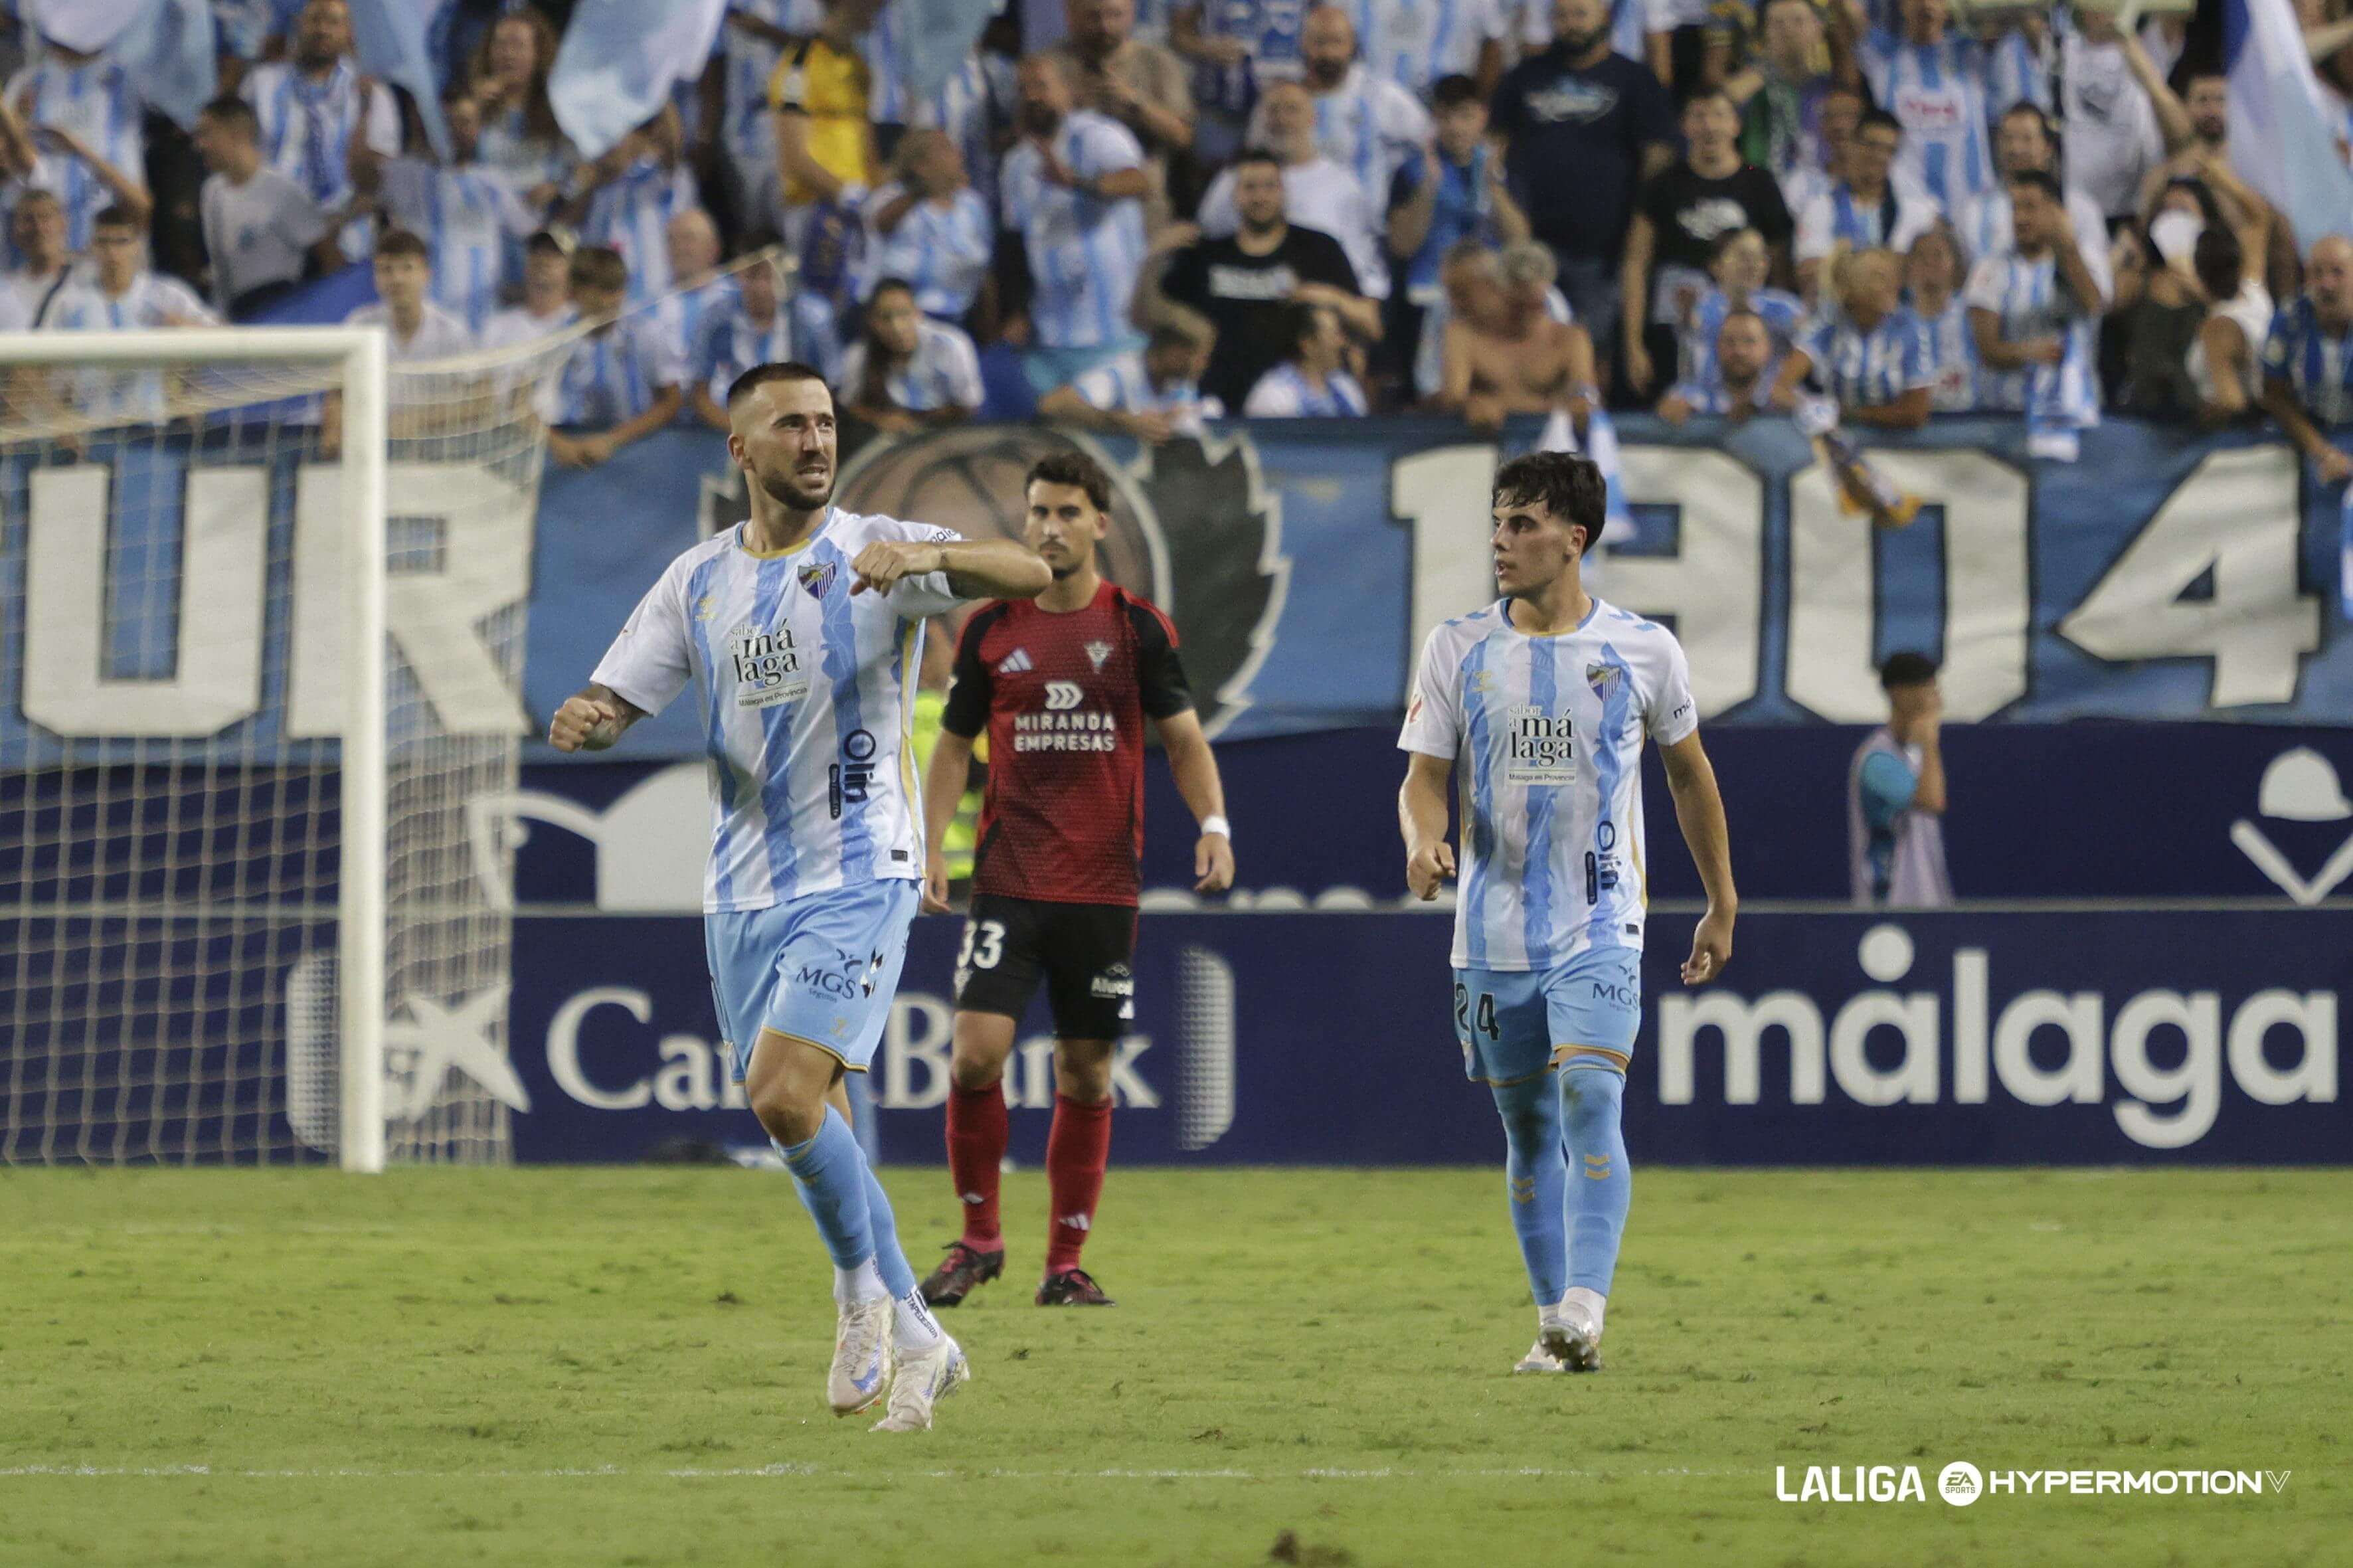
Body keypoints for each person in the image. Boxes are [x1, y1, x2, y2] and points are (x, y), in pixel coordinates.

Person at [550, 361, 1051, 1431]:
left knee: (781, 1095)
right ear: (742, 448)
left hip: (861, 868)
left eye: (824, 422)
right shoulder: (697, 580)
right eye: (790, 425)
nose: (816, 440)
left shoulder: (876, 549)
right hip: (741, 886)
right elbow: (619, 693)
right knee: (806, 1113)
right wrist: (589, 717)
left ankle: (864, 1296)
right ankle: (914, 1331)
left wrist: (930, 555)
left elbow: (1028, 569)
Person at [1397, 450, 1735, 1375]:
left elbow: (1689, 777)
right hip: (1489, 931)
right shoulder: (1456, 647)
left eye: (1522, 524)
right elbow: (1423, 778)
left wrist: (1721, 899)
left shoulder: (1643, 651)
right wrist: (1422, 842)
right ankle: (1553, 1323)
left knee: (1591, 1095)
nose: (1500, 542)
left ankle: (1586, 1307)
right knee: (1528, 1131)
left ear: (1573, 538)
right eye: (1497, 523)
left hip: (1601, 921)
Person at [919, 450, 1231, 1310]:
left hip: (1100, 888)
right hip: (1008, 880)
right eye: (1037, 512)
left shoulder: (1135, 628)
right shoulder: (991, 627)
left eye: (1065, 512)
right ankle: (978, 1241)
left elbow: (1183, 740)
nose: (1048, 528)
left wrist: (1213, 826)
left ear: (1100, 523)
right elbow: (953, 745)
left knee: (1086, 1073)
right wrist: (928, 844)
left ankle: (1064, 1264)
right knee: (974, 1056)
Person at [1490, 0, 1677, 368]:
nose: (1570, 24)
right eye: (1561, 15)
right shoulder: (1524, 78)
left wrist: (1639, 226)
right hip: (1532, 246)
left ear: (1604, 17)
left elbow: (1658, 158)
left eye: (1580, 14)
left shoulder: (1635, 79)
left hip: (1602, 249)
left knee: (1592, 358)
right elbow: (1494, 150)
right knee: (1530, 354)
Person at [1140, 151, 1375, 412]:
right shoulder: (1205, 256)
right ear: (1234, 194)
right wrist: (1154, 257)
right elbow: (1148, 319)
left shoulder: (1317, 249)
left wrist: (1325, 296)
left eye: (1270, 186)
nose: (1260, 196)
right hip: (1214, 406)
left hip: (1292, 408)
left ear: (1284, 192)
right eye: (1250, 187)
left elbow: (1372, 324)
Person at [1620, 88, 1794, 400]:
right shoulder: (1662, 184)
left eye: (1719, 115)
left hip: (1741, 332)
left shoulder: (1759, 181)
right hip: (1671, 328)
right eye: (1699, 116)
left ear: (1736, 125)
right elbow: (1635, 263)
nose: (1709, 126)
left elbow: (1779, 266)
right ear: (1684, 125)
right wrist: (1633, 343)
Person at [1000, 53, 1152, 396]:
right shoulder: (1016, 162)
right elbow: (1015, 244)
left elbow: (1138, 183)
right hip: (1049, 338)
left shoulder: (1099, 135)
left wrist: (1077, 183)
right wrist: (1017, 310)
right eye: (1023, 89)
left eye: (1041, 86)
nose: (1031, 96)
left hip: (1114, 333)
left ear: (1068, 90)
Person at [351, 83, 540, 336]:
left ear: (478, 128)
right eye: (448, 122)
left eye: (465, 122)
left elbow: (536, 237)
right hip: (425, 330)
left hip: (482, 328)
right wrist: (365, 108)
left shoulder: (493, 183)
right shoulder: (408, 174)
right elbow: (361, 173)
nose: (456, 131)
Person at [240, 0, 400, 262]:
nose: (323, 30)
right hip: (272, 237)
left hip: (348, 239)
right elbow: (240, 161)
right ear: (298, 25)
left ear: (349, 31)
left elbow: (383, 177)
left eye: (334, 22)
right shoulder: (260, 85)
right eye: (315, 20)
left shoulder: (371, 93)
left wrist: (334, 225)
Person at [1198, 82, 1389, 300]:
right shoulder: (1232, 179)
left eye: (1292, 109)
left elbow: (1362, 263)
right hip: (1243, 297)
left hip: (1316, 303)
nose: (1282, 119)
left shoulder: (1342, 185)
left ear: (1313, 118)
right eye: (1273, 110)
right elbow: (1209, 239)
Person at [1965, 169, 2107, 460]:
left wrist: (2067, 248)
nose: (2020, 218)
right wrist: (2029, 352)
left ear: (2056, 212)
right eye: (2015, 208)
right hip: (2006, 418)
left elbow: (2093, 304)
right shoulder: (1989, 268)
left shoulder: (2088, 258)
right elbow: (1987, 349)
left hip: (2074, 416)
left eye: (2030, 207)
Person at [1386, 74, 1531, 343]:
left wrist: (1494, 187)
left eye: (1465, 116)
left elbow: (1520, 242)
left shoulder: (1503, 170)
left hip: (1491, 300)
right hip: (1428, 299)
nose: (1455, 127)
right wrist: (1428, 188)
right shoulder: (1412, 171)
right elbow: (1402, 246)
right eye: (1445, 117)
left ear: (1483, 116)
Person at [41, 206, 216, 424]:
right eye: (103, 242)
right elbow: (37, 366)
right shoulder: (70, 302)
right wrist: (61, 420)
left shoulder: (165, 294)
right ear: (92, 246)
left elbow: (221, 335)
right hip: (92, 428)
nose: (112, 251)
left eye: (121, 241)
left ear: (137, 245)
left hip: (154, 427)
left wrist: (185, 327)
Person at [1050, 0, 1196, 232]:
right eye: (1093, 16)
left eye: (1115, 15)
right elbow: (1026, 134)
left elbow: (1183, 136)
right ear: (1070, 14)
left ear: (1132, 12)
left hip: (1145, 209)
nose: (1105, 26)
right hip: (1069, 208)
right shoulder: (1051, 65)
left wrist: (1136, 103)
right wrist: (1070, 105)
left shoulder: (1158, 62)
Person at [1840, 0, 1994, 216]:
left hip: (1974, 210)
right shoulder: (1883, 56)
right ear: (1902, 6)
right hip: (1908, 212)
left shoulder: (1972, 52)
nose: (1926, 4)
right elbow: (1849, 13)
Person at [1288, 4, 1434, 230]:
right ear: (1304, 44)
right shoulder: (1285, 101)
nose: (1328, 53)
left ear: (1352, 44)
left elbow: (1429, 140)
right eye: (1319, 42)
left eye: (1337, 42)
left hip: (1366, 235)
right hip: (1301, 230)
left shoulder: (1381, 96)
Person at [2, 35, 149, 256]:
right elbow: (19, 159)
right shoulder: (28, 84)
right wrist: (18, 123)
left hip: (100, 257)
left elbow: (142, 208)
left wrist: (78, 150)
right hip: (39, 262)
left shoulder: (126, 77)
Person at [193, 96, 335, 320]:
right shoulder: (212, 193)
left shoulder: (281, 191)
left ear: (237, 133)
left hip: (282, 308)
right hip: (240, 312)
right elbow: (221, 270)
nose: (200, 145)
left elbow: (329, 255)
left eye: (207, 134)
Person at [546, 245, 685, 468]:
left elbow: (672, 401)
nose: (609, 302)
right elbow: (521, 405)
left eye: (616, 290)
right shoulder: (554, 340)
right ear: (577, 292)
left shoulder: (646, 334)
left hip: (636, 449)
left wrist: (613, 440)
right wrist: (558, 444)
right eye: (601, 291)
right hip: (572, 446)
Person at [1438, 240, 1597, 431]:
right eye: (1517, 305)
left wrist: (1581, 401)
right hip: (1484, 444)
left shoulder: (1570, 339)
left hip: (1553, 444)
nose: (1528, 314)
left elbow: (1585, 393)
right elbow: (1454, 396)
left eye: (1536, 305)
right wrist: (1471, 403)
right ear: (1496, 290)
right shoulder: (1463, 335)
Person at [1772, 248, 1932, 429]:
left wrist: (1847, 413)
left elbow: (1915, 413)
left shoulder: (1910, 327)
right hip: (1840, 438)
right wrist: (1812, 408)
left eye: (1893, 276)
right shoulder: (1828, 326)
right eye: (1879, 277)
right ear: (1850, 287)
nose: (1892, 284)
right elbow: (1779, 389)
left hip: (1901, 442)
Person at [691, 239, 843, 428]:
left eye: (769, 277)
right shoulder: (716, 318)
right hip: (732, 425)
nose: (761, 288)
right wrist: (742, 432)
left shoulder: (814, 317)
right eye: (752, 276)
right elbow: (700, 394)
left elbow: (830, 388)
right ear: (739, 275)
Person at [1793, 108, 1937, 301]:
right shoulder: (1820, 206)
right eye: (1872, 145)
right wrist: (1886, 267)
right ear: (1852, 145)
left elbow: (1922, 274)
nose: (1880, 156)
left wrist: (1843, 265)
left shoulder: (1915, 211)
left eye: (1889, 150)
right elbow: (1810, 272)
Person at [1849, 650, 1950, 909]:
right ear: (1898, 693)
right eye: (1925, 689)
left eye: (1934, 689)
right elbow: (1932, 801)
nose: (1935, 700)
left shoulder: (1914, 755)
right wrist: (1930, 740)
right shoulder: (1877, 760)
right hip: (1889, 906)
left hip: (1926, 903)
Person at [861, 130, 993, 324]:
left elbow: (985, 270)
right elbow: (880, 224)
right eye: (946, 149)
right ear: (920, 166)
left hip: (959, 314)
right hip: (899, 318)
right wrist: (921, 191)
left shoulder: (972, 205)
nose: (958, 153)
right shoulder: (890, 197)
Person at [572, 108, 700, 305]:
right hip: (608, 310)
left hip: (662, 305)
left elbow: (672, 145)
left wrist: (655, 96)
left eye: (616, 134)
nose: (610, 144)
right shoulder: (593, 191)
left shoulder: (658, 176)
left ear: (635, 138)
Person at [2261, 235, 2353, 488]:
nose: (2326, 284)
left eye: (2338, 273)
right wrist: (2321, 452)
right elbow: (2274, 394)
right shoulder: (2289, 320)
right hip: (2313, 431)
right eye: (2317, 273)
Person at [839, 278, 985, 430]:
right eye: (885, 318)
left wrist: (915, 422)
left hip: (946, 431)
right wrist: (879, 419)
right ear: (872, 321)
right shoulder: (859, 354)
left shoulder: (952, 346)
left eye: (904, 314)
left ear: (918, 313)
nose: (897, 327)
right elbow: (848, 405)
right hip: (887, 434)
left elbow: (970, 405)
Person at [1038, 323, 1225, 439]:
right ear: (1176, 352)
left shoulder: (1182, 385)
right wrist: (1121, 421)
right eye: (1201, 356)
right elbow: (1051, 405)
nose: (1204, 365)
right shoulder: (1120, 375)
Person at [1724, 0, 1836, 190]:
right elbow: (1721, 102)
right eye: (1777, 23)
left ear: (1818, 28)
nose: (1788, 29)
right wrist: (1770, 65)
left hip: (1823, 190)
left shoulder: (1830, 88)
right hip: (1761, 187)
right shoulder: (1751, 85)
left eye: (1798, 21)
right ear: (1764, 33)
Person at [343, 228, 474, 362]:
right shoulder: (359, 328)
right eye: (387, 269)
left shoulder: (451, 334)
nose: (397, 279)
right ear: (375, 277)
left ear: (426, 274)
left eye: (407, 268)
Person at [1244, 300, 1371, 415]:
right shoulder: (1275, 396)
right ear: (1307, 343)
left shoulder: (1345, 387)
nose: (1342, 343)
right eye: (1334, 335)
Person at [1656, 306, 1781, 424]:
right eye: (1730, 341)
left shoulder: (1781, 398)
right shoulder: (1692, 395)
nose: (1739, 351)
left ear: (1768, 348)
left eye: (1750, 341)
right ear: (1718, 347)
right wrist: (1669, 411)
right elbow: (1666, 409)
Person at [1904, 223, 1977, 412]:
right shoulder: (1896, 321)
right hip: (1912, 421)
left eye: (1938, 255)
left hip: (1968, 418)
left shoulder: (1971, 315)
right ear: (1909, 266)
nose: (1929, 262)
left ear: (1955, 265)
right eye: (1920, 256)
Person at [482, 228, 576, 352]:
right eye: (536, 252)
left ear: (572, 266)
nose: (543, 260)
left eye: (554, 254)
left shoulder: (583, 325)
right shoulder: (497, 327)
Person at [2, 188, 74, 325]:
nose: (38, 227)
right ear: (16, 230)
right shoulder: (6, 292)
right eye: (29, 220)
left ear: (63, 223)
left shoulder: (88, 281)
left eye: (45, 218)